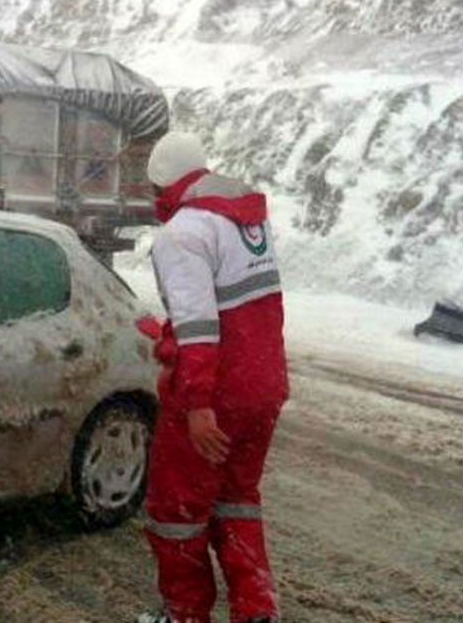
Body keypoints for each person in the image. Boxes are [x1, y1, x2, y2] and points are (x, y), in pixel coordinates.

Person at [138, 132, 289, 623]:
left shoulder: (182, 233)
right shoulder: (246, 221)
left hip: (216, 396)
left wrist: (199, 405)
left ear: (163, 183)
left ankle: (184, 615)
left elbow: (201, 330)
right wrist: (172, 334)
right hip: (261, 388)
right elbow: (239, 313)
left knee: (176, 513)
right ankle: (257, 608)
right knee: (237, 501)